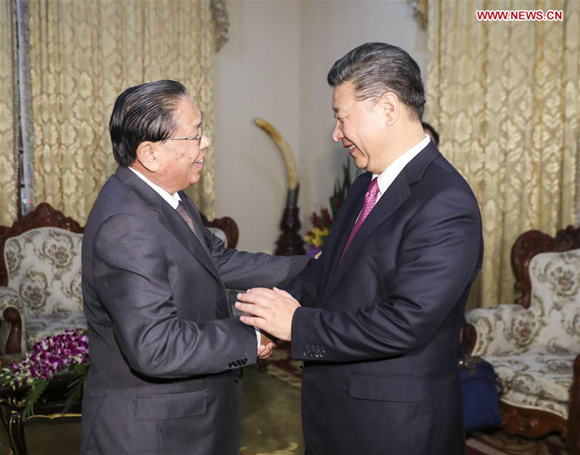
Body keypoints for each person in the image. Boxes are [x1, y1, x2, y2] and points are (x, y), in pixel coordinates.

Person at [236, 43, 483, 454]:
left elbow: (406, 322)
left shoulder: (445, 201)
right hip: (339, 413)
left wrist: (297, 326)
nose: (336, 134)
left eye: (340, 117)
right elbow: (329, 270)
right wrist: (272, 317)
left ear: (387, 108)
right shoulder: (366, 184)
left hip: (394, 428)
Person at [81, 80, 309, 455]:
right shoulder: (126, 224)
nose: (206, 143)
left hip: (189, 420)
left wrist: (310, 267)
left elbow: (216, 260)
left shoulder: (166, 196)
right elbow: (155, 346)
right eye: (195, 135)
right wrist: (252, 338)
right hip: (153, 435)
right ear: (151, 154)